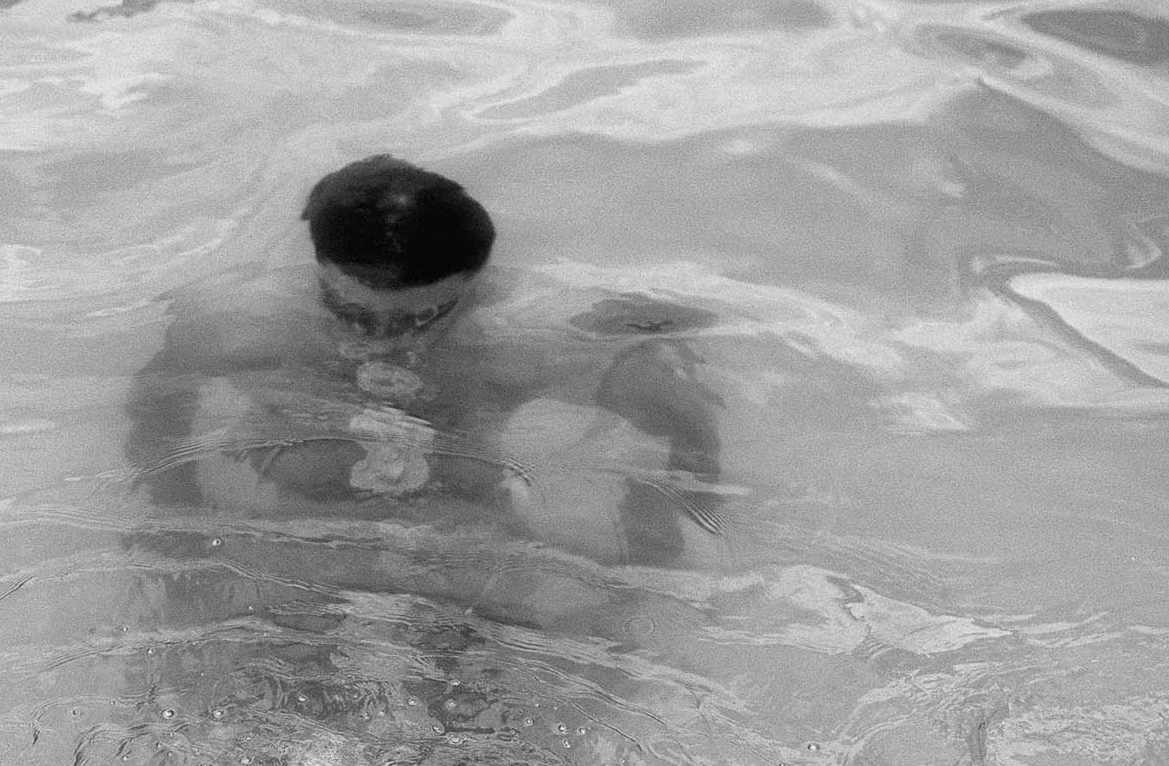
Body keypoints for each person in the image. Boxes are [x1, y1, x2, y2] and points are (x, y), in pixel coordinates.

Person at [124, 154, 721, 584]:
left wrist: (652, 533)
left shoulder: (526, 336)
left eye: (423, 316)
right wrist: (175, 514)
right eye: (352, 313)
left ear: (477, 285)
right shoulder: (240, 321)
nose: (383, 340)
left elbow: (684, 414)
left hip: (468, 539)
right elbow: (157, 401)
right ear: (319, 271)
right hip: (297, 531)